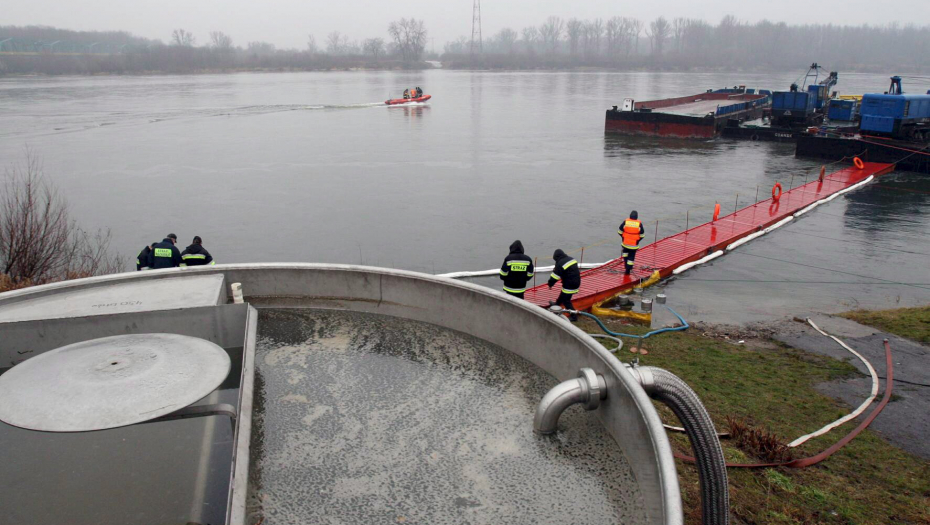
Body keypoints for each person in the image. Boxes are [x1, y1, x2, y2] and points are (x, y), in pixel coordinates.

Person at [547, 248, 581, 322]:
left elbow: (554, 277)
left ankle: (574, 316)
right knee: (563, 294)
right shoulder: (571, 259)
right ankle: (556, 304)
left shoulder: (560, 264)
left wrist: (550, 284)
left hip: (569, 284)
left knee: (566, 300)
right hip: (577, 281)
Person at [618, 210, 645, 275]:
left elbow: (619, 231)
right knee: (631, 258)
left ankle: (626, 266)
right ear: (637, 216)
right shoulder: (639, 224)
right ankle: (628, 271)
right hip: (633, 245)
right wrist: (637, 240)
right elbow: (642, 235)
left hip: (625, 243)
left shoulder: (626, 222)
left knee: (625, 255)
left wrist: (623, 238)